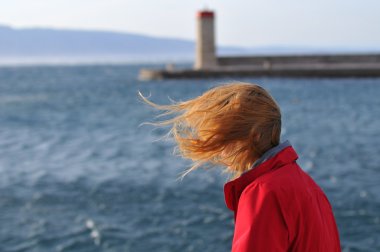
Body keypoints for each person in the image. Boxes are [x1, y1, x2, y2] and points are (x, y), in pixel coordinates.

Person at [139, 82, 341, 252]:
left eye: (225, 137)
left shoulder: (263, 193)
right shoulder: (308, 186)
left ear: (254, 136)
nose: (219, 149)